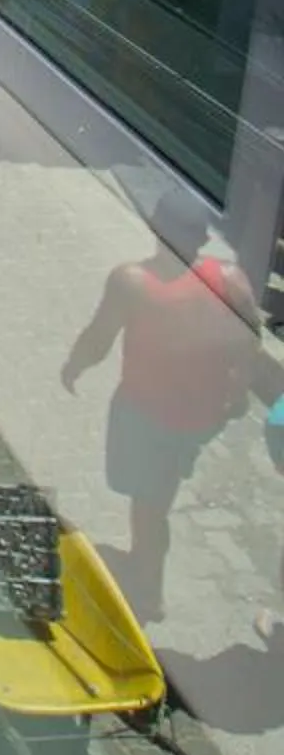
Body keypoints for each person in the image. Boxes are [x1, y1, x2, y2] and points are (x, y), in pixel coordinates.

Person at [60, 190, 261, 620]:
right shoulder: (230, 280)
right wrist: (238, 393)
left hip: (145, 413)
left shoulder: (132, 281)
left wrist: (73, 367)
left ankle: (148, 591)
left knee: (148, 504)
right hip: (201, 418)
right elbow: (249, 340)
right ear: (202, 240)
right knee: (159, 491)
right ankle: (144, 559)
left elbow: (99, 339)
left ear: (154, 229)